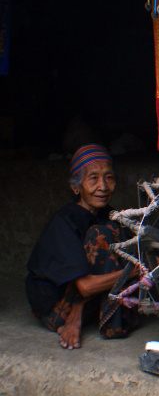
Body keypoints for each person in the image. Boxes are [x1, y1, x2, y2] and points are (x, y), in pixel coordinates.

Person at [26, 144, 140, 349]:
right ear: (76, 187)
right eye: (93, 178)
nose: (103, 186)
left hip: (85, 298)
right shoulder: (64, 221)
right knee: (102, 234)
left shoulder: (110, 214)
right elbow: (85, 287)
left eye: (109, 177)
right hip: (55, 308)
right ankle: (76, 318)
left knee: (114, 229)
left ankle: (91, 316)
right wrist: (135, 271)